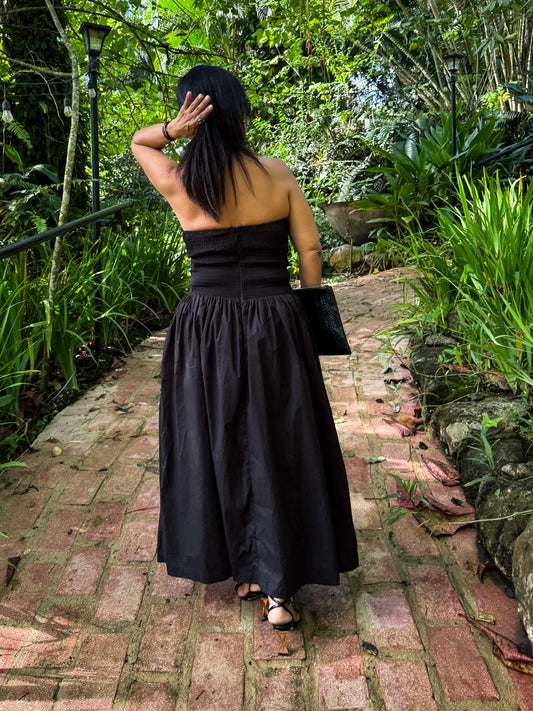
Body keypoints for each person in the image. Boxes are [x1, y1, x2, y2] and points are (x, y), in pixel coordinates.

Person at [131, 64, 358, 655]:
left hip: (204, 327)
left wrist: (173, 130)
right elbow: (310, 249)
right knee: (279, 436)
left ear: (193, 115)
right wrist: (306, 315)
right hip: (275, 319)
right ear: (240, 114)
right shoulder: (276, 174)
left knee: (218, 438)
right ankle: (280, 588)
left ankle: (245, 568)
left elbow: (139, 142)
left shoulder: (180, 179)